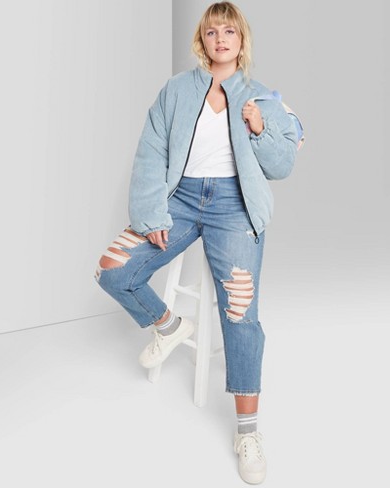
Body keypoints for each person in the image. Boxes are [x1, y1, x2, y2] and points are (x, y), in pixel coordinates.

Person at [95, 2, 301, 484]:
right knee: (112, 270)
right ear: (202, 40)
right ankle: (169, 327)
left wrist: (260, 129)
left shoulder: (262, 98)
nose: (221, 39)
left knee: (240, 313)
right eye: (212, 32)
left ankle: (247, 432)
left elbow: (282, 166)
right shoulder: (175, 90)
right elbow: (151, 152)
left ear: (242, 40)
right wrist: (151, 213)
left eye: (230, 31)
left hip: (234, 205)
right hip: (181, 199)